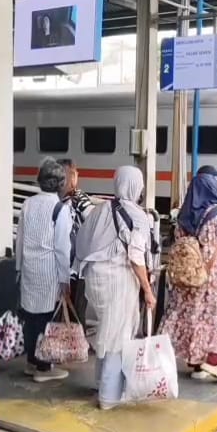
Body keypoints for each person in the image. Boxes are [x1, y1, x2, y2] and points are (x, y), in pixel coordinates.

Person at [75, 166, 156, 410]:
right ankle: (109, 397)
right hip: (119, 281)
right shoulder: (138, 216)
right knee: (118, 337)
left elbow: (81, 241)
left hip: (94, 279)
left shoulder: (99, 209)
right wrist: (148, 290)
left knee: (106, 330)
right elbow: (136, 257)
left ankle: (101, 383)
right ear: (136, 186)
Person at [160, 169, 217, 382]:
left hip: (189, 275)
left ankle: (195, 363)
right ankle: (212, 362)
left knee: (191, 316)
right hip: (216, 276)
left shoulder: (183, 215)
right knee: (216, 317)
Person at [16, 158, 72, 383]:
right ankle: (43, 366)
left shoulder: (28, 204)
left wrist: (19, 267)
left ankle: (31, 361)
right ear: (60, 184)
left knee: (30, 316)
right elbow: (62, 248)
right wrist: (65, 278)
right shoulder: (60, 208)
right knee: (46, 318)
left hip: (29, 267)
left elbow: (19, 239)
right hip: (49, 270)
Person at [55, 158, 95, 330]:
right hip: (71, 266)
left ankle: (73, 347)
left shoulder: (77, 199)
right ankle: (72, 346)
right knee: (72, 312)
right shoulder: (68, 199)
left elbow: (93, 222)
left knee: (74, 313)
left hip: (75, 267)